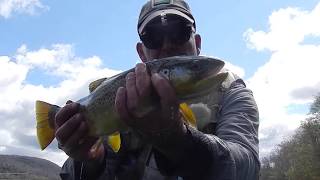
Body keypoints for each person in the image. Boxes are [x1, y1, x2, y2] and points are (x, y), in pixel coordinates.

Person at [57, 0, 260, 179]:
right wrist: (91, 161)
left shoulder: (232, 93)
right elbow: (72, 173)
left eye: (179, 31)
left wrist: (179, 142)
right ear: (141, 52)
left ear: (197, 43)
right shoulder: (122, 97)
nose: (167, 44)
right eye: (153, 37)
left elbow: (247, 167)